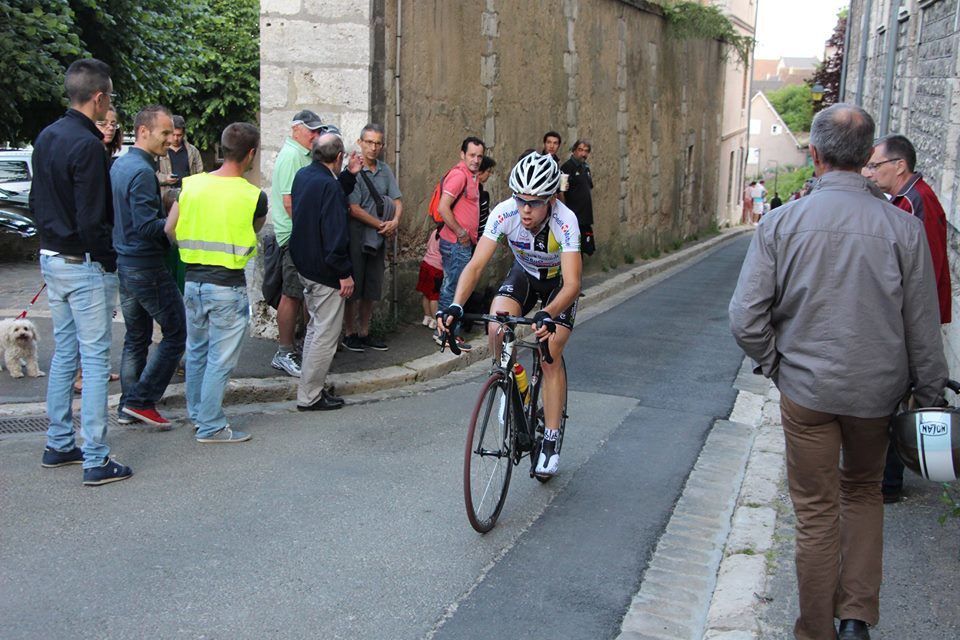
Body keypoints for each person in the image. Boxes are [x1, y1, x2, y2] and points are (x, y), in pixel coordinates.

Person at [729, 104, 948, 640]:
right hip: (877, 394)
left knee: (815, 509)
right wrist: (929, 391)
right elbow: (922, 325)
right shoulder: (902, 227)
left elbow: (745, 316)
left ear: (815, 154)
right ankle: (856, 618)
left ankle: (815, 631)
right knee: (863, 493)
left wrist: (777, 365)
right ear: (868, 156)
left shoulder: (783, 222)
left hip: (807, 391)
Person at [439, 152, 582, 478]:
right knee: (496, 326)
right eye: (520, 200)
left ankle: (550, 437)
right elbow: (475, 266)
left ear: (550, 199)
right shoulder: (505, 214)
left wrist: (547, 313)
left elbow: (573, 283)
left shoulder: (565, 220)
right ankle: (513, 380)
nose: (525, 210)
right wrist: (455, 307)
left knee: (550, 355)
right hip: (525, 276)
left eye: (534, 202)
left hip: (558, 288)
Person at [31, 58, 132, 486]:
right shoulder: (88, 145)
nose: (109, 105)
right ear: (98, 97)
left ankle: (58, 443)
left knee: (66, 354)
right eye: (108, 97)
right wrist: (110, 259)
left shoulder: (47, 136)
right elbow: (93, 216)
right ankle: (95, 456)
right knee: (92, 362)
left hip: (52, 256)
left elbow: (40, 198)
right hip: (84, 263)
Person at [862, 133, 953, 504]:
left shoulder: (918, 203)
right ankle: (887, 477)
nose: (869, 172)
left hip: (912, 318)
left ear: (899, 165)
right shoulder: (905, 199)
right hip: (909, 316)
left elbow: (923, 271)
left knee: (899, 397)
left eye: (875, 165)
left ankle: (889, 481)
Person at [167, 122, 267, 443]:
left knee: (196, 352)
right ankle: (210, 425)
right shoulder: (253, 196)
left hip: (193, 282)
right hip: (227, 286)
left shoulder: (191, 186)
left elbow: (170, 230)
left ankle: (197, 414)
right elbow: (255, 229)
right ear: (250, 154)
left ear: (222, 148)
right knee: (220, 361)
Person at [111, 105, 186, 429]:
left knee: (136, 336)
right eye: (165, 133)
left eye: (171, 133)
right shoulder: (141, 171)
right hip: (144, 263)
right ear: (144, 131)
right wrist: (174, 217)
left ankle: (130, 405)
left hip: (126, 261)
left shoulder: (122, 164)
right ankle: (141, 401)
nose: (170, 140)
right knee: (176, 332)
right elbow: (146, 226)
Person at [288, 133, 355, 411]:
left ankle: (309, 388)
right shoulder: (329, 186)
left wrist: (350, 176)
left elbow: (333, 189)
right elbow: (335, 234)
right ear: (338, 157)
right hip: (325, 269)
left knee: (316, 330)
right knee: (325, 334)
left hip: (305, 263)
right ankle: (310, 395)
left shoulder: (304, 176)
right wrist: (344, 272)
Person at [268, 110, 326, 377]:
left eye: (317, 131)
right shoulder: (292, 156)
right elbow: (290, 202)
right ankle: (284, 351)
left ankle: (298, 346)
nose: (315, 136)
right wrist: (308, 232)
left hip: (299, 235)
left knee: (299, 292)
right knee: (291, 294)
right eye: (311, 131)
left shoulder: (300, 154)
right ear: (296, 129)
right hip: (294, 235)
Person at [342, 123, 402, 353]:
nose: (373, 147)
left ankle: (365, 331)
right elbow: (353, 208)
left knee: (372, 287)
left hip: (378, 238)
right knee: (354, 287)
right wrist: (381, 225)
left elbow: (397, 199)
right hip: (357, 236)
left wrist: (395, 221)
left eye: (378, 143)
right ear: (360, 143)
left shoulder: (385, 170)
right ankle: (350, 332)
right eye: (369, 142)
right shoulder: (354, 171)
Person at [435, 136, 486, 351]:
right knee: (453, 288)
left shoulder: (471, 176)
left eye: (480, 156)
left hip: (462, 243)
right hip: (456, 243)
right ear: (462, 154)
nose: (476, 160)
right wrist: (461, 232)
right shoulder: (459, 176)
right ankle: (446, 335)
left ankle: (449, 333)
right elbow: (443, 207)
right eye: (472, 155)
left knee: (456, 287)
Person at [559, 139, 595, 255]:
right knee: (574, 250)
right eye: (580, 150)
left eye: (586, 151)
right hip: (574, 216)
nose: (583, 154)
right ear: (574, 151)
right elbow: (561, 191)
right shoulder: (567, 168)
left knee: (584, 248)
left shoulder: (586, 168)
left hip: (584, 217)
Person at [157, 115, 203, 191]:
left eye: (179, 135)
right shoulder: (159, 150)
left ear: (184, 134)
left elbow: (200, 175)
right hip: (166, 197)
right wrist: (165, 179)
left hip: (188, 195)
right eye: (173, 134)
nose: (175, 138)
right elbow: (151, 176)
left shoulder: (193, 151)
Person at [416, 227, 443, 329]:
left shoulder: (435, 231)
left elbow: (428, 245)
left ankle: (426, 317)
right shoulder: (446, 235)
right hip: (436, 269)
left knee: (426, 293)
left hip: (426, 264)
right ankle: (435, 320)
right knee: (434, 296)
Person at [477, 155, 496, 234]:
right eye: (488, 171)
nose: (489, 174)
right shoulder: (481, 195)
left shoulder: (479, 189)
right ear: (480, 171)